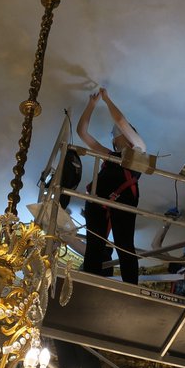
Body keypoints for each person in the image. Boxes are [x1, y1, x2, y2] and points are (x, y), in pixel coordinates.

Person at [76, 87, 147, 284]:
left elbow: (121, 122)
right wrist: (91, 105)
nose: (121, 133)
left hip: (123, 200)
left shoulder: (139, 150)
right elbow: (82, 132)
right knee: (94, 246)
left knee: (124, 246)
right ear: (115, 142)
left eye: (125, 132)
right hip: (97, 201)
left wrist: (106, 100)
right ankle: (90, 283)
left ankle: (131, 287)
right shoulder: (109, 155)